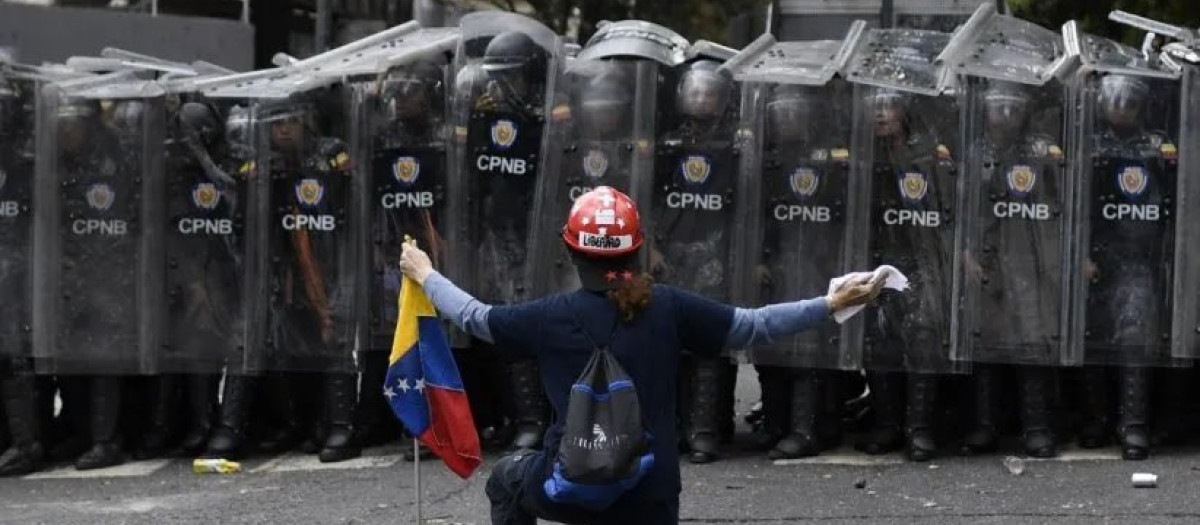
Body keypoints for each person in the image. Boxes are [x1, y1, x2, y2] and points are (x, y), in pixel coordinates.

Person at [398, 186, 884, 524]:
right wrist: (830, 303)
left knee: (506, 481)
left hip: (571, 487)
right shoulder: (669, 307)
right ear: (637, 252)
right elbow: (754, 325)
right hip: (651, 497)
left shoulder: (547, 316)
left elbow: (476, 317)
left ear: (572, 252)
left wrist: (424, 273)